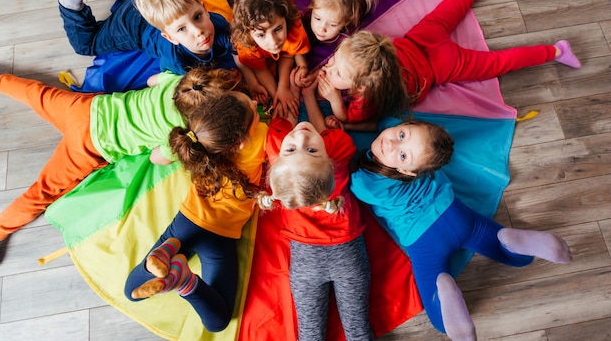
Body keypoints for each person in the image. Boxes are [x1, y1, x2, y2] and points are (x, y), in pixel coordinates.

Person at [0, 66, 248, 271]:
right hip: (90, 146)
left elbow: (151, 81)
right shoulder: (180, 134)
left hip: (89, 108)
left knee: (37, 94)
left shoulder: (179, 83)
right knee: (43, 191)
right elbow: (158, 159)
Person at [350, 118, 572, 340]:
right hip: (455, 213)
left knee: (441, 322)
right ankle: (509, 240)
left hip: (422, 238)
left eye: (403, 155)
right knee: (518, 257)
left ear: (407, 172)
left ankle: (443, 288)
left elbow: (344, 175)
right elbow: (391, 126)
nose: (390, 144)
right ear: (405, 125)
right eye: (401, 136)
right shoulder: (425, 159)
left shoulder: (363, 183)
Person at [316, 0, 582, 127]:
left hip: (439, 65)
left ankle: (557, 51)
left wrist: (335, 99)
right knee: (456, 3)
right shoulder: (370, 54)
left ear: (362, 86)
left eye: (336, 67)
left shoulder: (367, 96)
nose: (329, 68)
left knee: (498, 62)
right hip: (420, 39)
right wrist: (338, 69)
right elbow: (356, 59)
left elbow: (354, 121)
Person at [124, 90, 267, 333]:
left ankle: (161, 260)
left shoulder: (199, 136)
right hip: (221, 238)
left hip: (186, 223)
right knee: (218, 322)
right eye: (255, 111)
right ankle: (186, 283)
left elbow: (158, 157)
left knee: (131, 292)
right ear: (241, 141)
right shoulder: (262, 138)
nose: (255, 103)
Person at [255, 70, 373, 340]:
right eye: (310, 150)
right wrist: (308, 93)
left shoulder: (275, 147)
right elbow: (318, 132)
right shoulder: (339, 150)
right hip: (348, 254)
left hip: (306, 260)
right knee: (358, 330)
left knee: (309, 333)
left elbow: (288, 119)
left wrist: (294, 91)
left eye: (293, 148)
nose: (301, 138)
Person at [19, 0, 237, 75]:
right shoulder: (177, 61)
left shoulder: (216, 22)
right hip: (134, 25)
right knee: (86, 45)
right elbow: (164, 80)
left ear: (204, 7)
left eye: (198, 17)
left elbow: (234, 41)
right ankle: (69, 0)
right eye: (182, 30)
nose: (198, 31)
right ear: (168, 37)